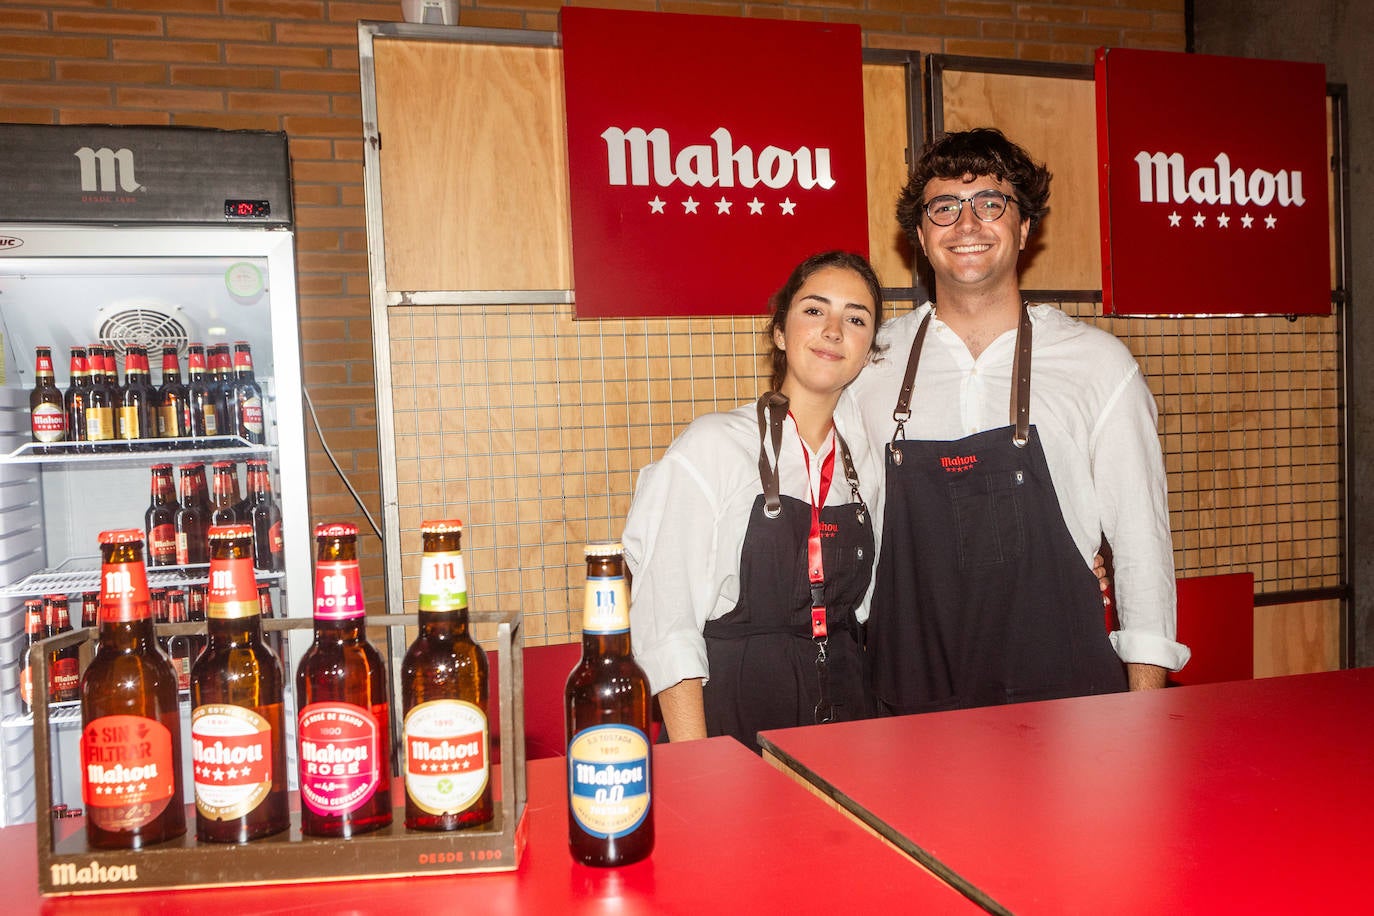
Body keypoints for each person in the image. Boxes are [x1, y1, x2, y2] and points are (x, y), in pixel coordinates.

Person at [848, 127, 1189, 715]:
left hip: (1067, 701)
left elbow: (1142, 546)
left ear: (1024, 228)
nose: (967, 223)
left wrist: (1145, 719)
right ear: (921, 238)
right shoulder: (871, 364)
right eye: (944, 207)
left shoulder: (1098, 366)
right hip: (909, 700)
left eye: (991, 203)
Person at [624, 251, 884, 750]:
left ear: (868, 350)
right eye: (814, 310)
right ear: (780, 333)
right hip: (735, 728)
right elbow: (667, 621)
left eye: (855, 318)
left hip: (851, 727)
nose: (833, 330)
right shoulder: (715, 446)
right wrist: (699, 762)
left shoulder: (867, 464)